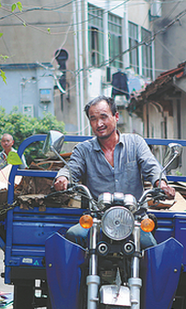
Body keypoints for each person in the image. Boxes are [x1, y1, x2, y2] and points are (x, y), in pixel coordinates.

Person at [53, 95, 175, 248]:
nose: (99, 123)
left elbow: (151, 166)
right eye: (93, 119)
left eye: (103, 117)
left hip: (133, 219)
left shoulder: (135, 143)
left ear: (116, 116)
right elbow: (71, 168)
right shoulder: (83, 150)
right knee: (74, 235)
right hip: (98, 219)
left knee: (150, 247)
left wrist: (161, 183)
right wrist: (63, 178)